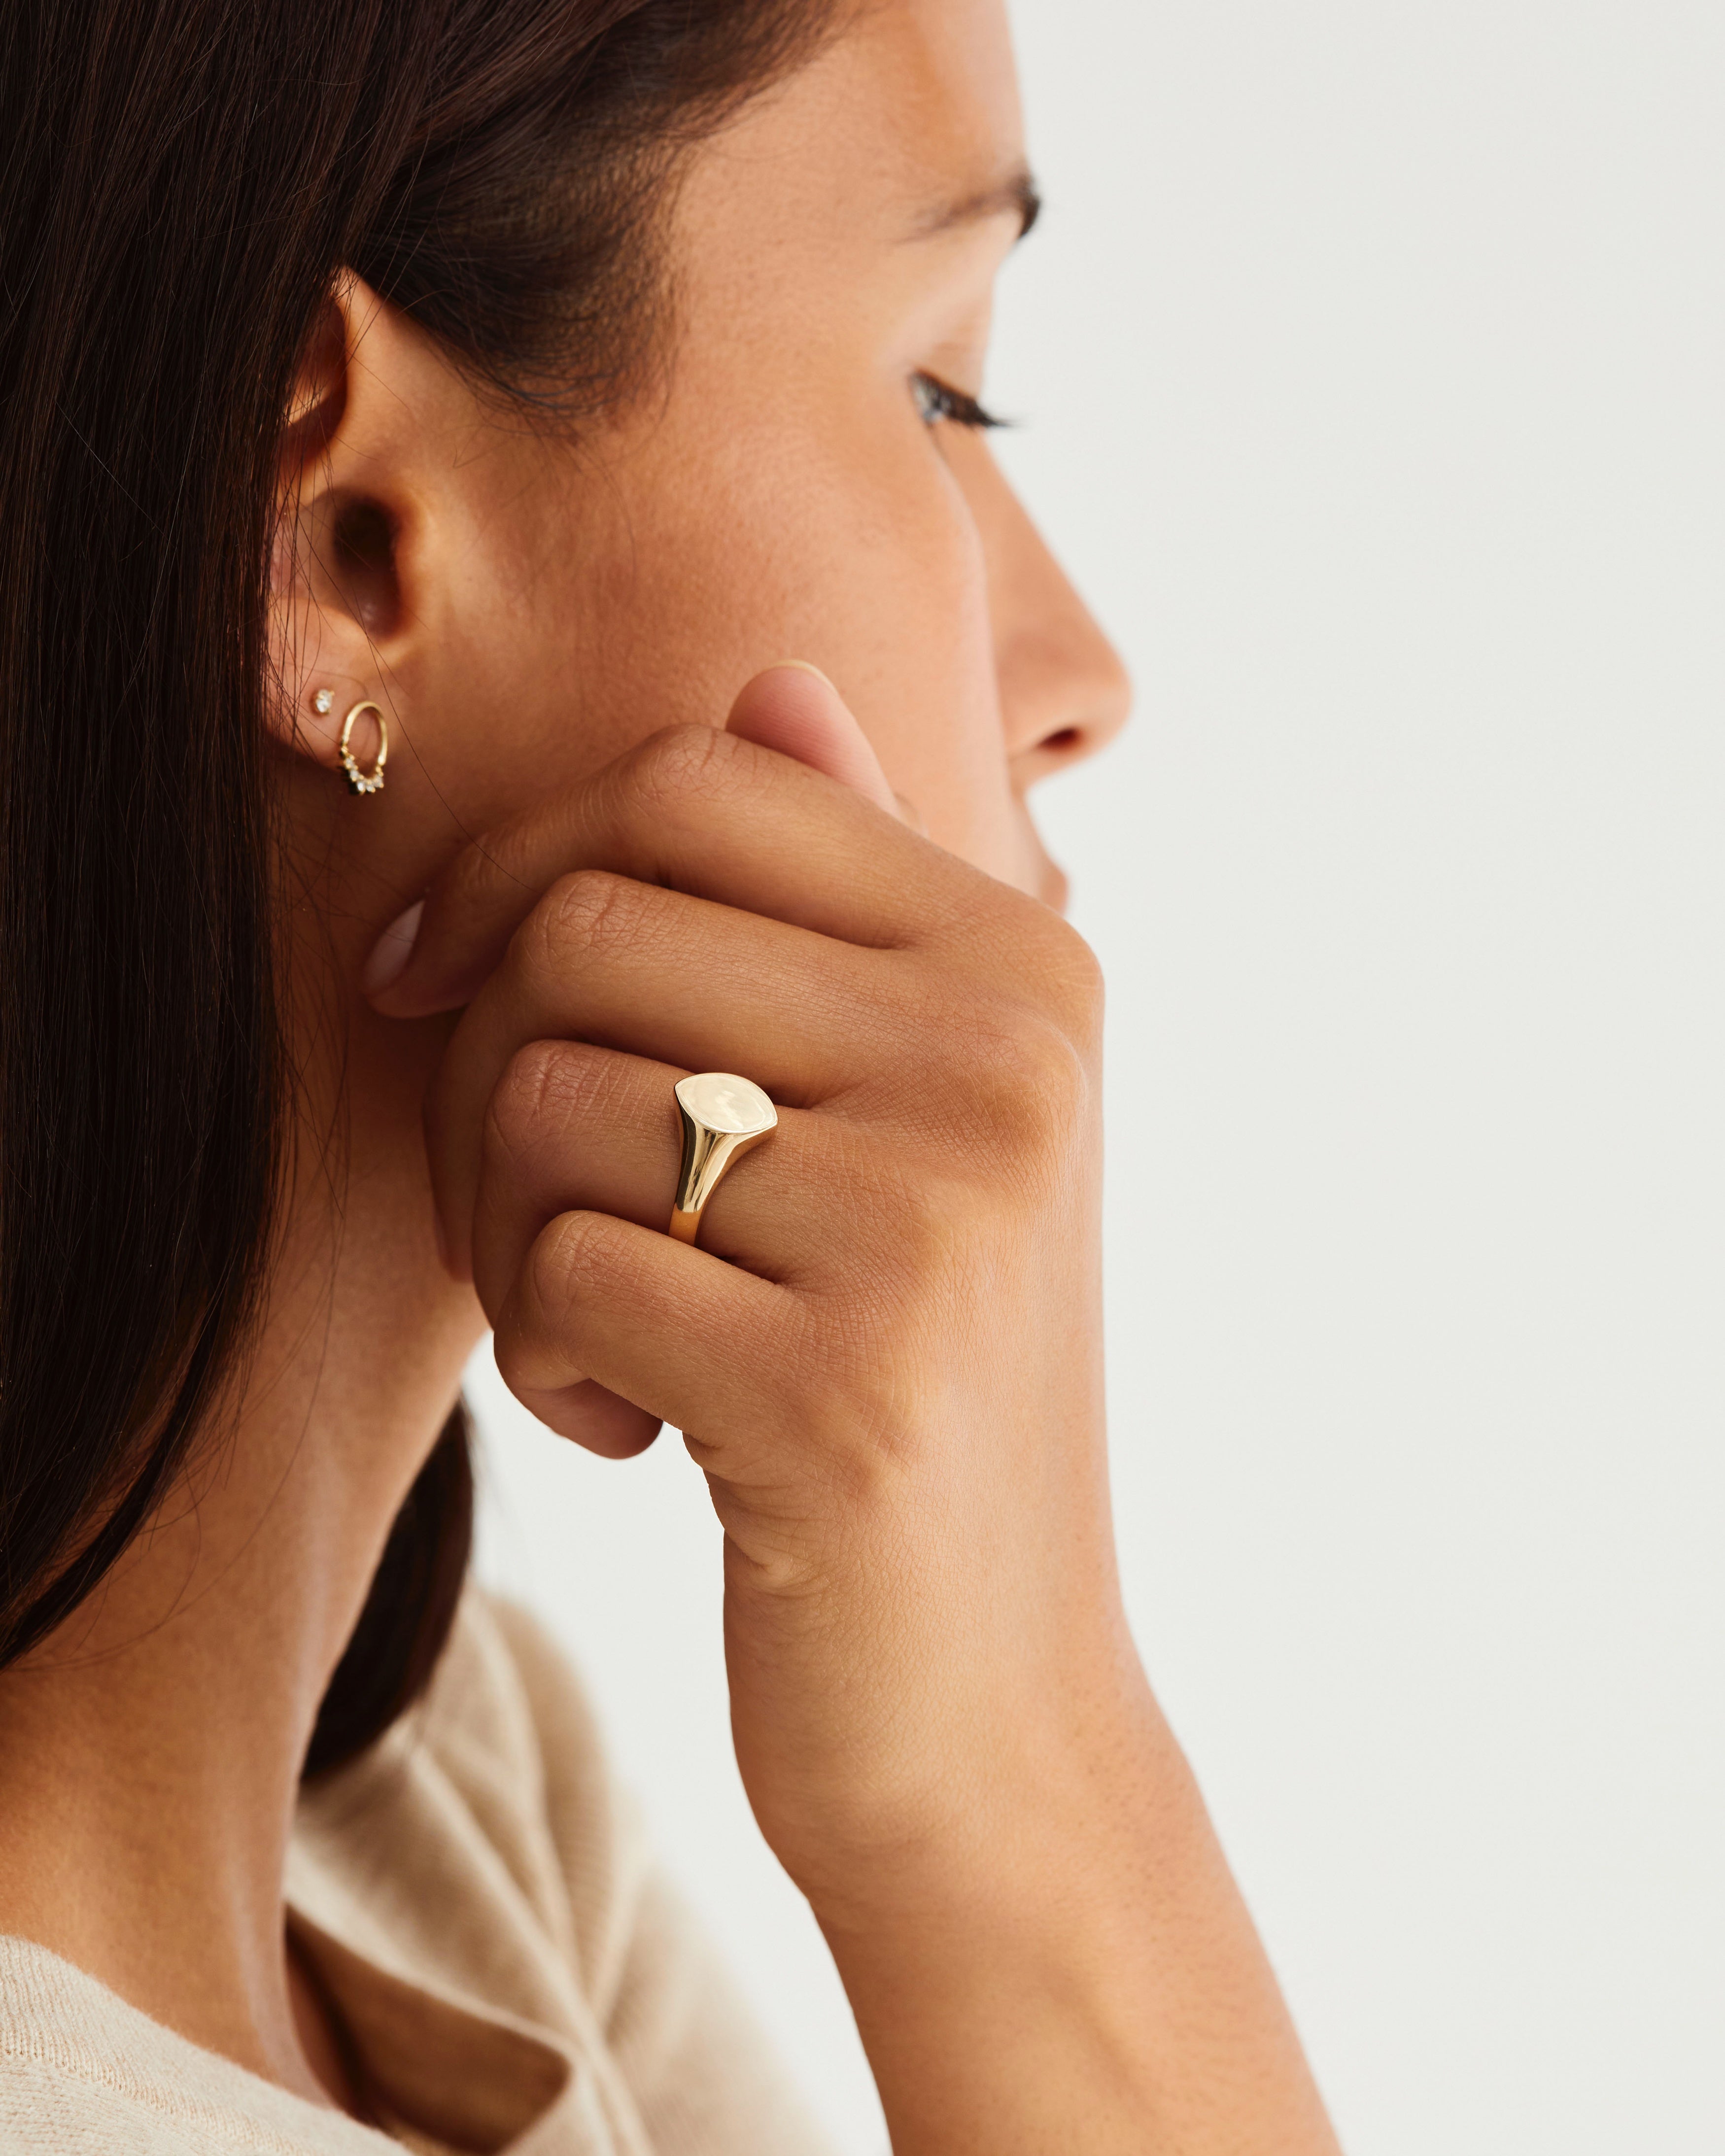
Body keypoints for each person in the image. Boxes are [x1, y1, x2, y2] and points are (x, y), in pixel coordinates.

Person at [0, 0, 1341, 2149]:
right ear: (341, 542)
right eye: (939, 387)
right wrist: (1019, 1789)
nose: (1083, 673)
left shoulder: (460, 1811)